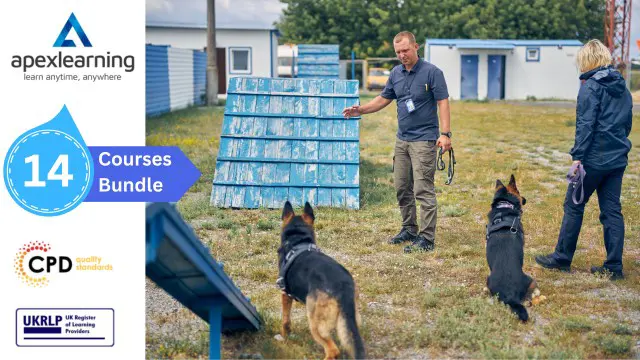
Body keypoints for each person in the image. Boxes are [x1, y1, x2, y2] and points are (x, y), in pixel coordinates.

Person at [342, 31, 452, 253]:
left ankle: (427, 238)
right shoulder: (395, 73)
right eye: (398, 52)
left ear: (416, 47)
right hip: (402, 140)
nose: (402, 55)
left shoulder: (432, 72)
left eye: (406, 50)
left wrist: (445, 134)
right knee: (402, 187)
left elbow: (443, 102)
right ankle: (409, 229)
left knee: (423, 189)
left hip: (424, 140)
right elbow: (384, 98)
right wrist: (360, 109)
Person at [535, 39, 633, 280]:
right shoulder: (623, 87)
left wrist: (577, 157)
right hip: (617, 159)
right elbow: (627, 123)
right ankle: (614, 266)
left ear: (588, 61)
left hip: (593, 159)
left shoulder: (590, 87)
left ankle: (562, 257)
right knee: (612, 211)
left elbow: (585, 125)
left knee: (573, 205)